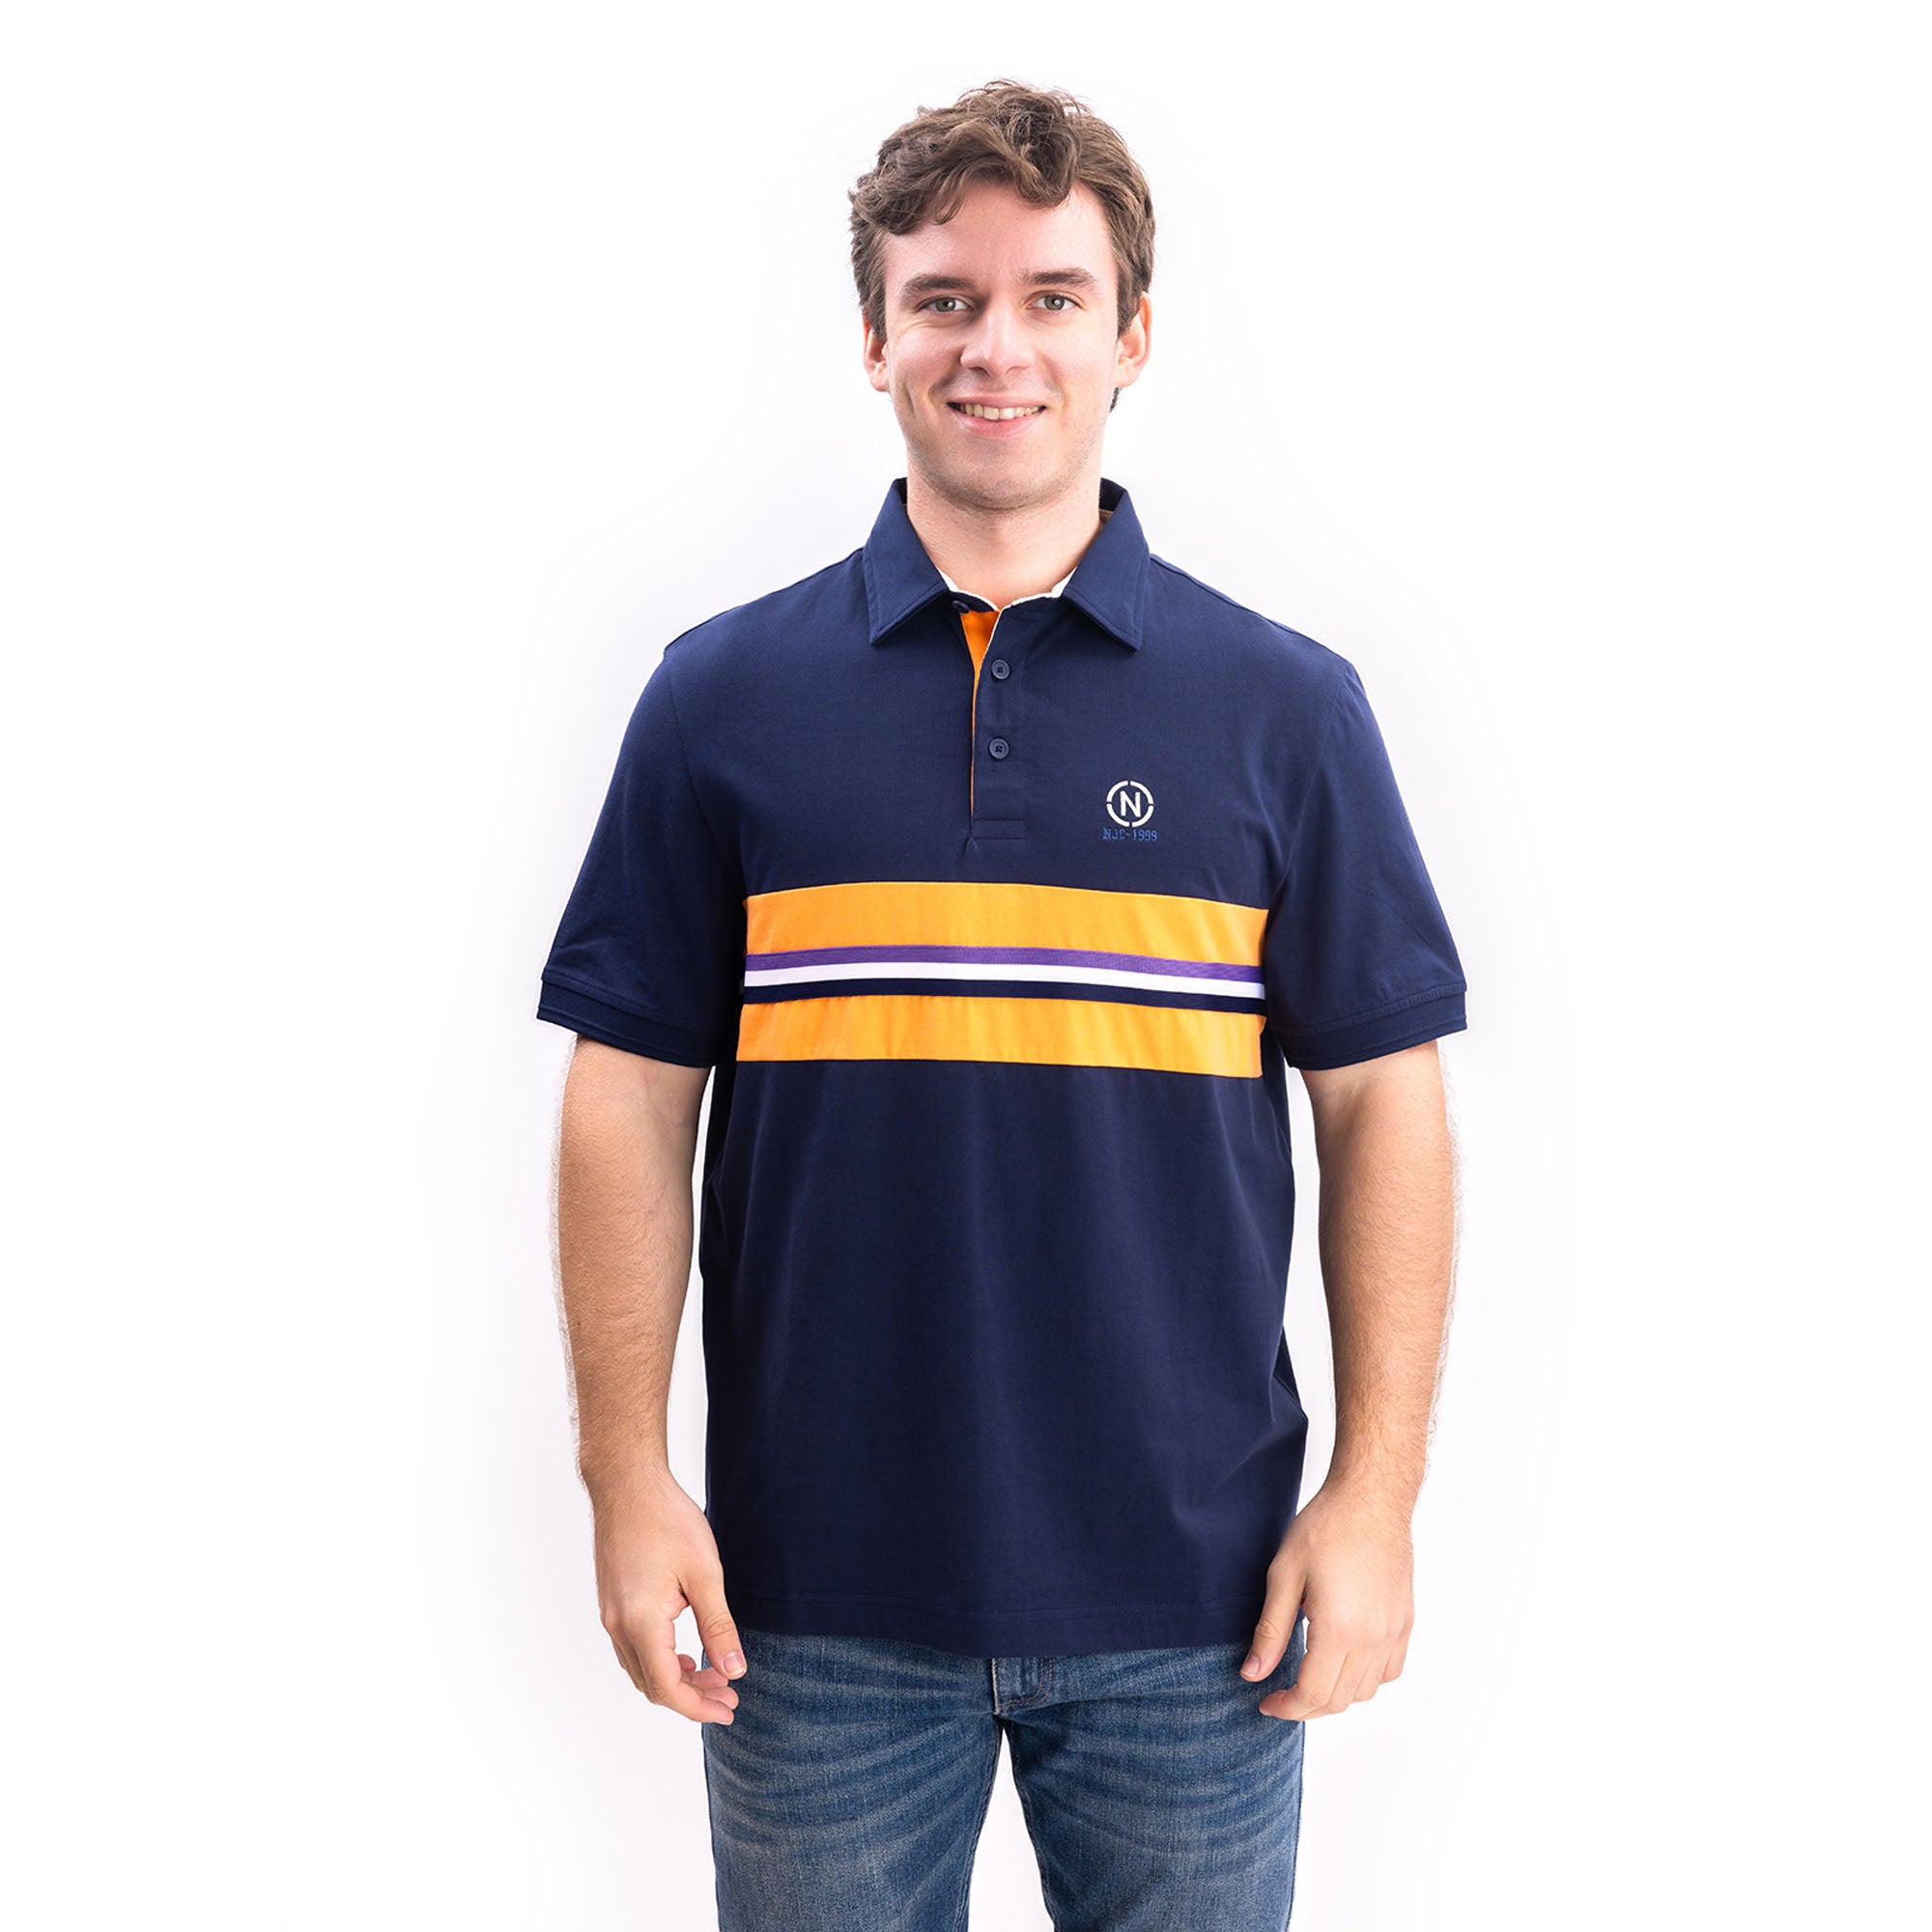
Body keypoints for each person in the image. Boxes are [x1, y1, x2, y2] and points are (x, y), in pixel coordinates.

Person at [538, 77, 1467, 1932]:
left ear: (1133, 336)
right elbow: (627, 1097)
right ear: (873, 338)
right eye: (944, 299)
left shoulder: (1284, 709)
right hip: (811, 1605)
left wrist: (1375, 1501)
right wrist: (626, 1481)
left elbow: (1385, 1103)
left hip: (1199, 1607)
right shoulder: (722, 700)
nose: (997, 347)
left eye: (1052, 296)